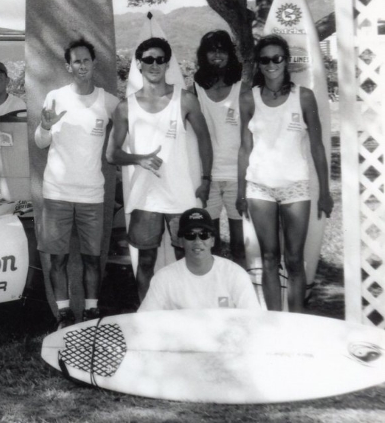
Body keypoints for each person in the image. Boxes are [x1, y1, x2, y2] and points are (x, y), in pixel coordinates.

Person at [107, 37, 213, 301]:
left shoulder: (185, 100)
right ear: (139, 65)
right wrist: (139, 159)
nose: (154, 64)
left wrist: (207, 178)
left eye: (160, 60)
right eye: (148, 59)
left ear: (167, 64)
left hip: (180, 196)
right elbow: (111, 154)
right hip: (146, 197)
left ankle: (190, 312)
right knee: (145, 262)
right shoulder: (125, 107)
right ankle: (148, 315)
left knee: (187, 258)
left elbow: (205, 139)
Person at [237, 34, 332, 312]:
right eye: (264, 59)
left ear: (286, 61)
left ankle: (296, 322)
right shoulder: (248, 99)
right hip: (259, 188)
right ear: (258, 64)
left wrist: (325, 192)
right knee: (268, 258)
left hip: (295, 187)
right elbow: (244, 148)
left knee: (293, 259)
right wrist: (242, 192)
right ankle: (274, 321)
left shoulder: (303, 97)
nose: (271, 64)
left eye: (276, 58)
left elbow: (317, 146)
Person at [34, 38, 120, 326]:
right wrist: (45, 126)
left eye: (86, 60)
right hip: (57, 193)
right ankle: (64, 313)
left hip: (92, 194)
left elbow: (134, 126)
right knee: (57, 259)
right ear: (68, 66)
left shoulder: (108, 102)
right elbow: (40, 142)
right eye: (76, 61)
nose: (81, 66)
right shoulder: (55, 97)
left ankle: (92, 311)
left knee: (92, 258)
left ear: (93, 63)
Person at [192, 30, 245, 266]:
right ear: (204, 55)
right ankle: (214, 295)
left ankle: (241, 295)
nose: (217, 55)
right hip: (207, 178)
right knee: (209, 244)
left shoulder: (242, 87)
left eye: (222, 49)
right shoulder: (195, 88)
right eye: (211, 50)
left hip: (237, 176)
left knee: (239, 245)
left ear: (230, 54)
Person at [139, 208, 260, 311]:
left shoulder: (235, 274)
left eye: (204, 235)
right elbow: (145, 320)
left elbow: (253, 320)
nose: (197, 241)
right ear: (180, 241)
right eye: (190, 235)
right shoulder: (164, 278)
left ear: (212, 240)